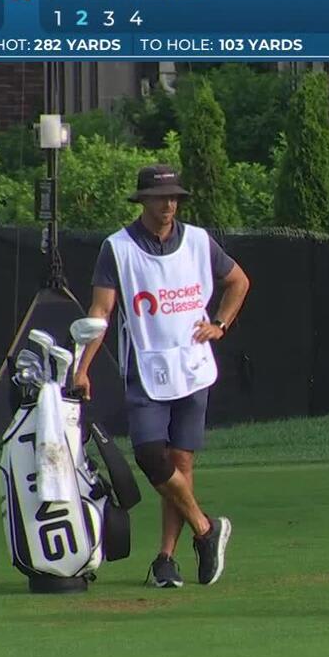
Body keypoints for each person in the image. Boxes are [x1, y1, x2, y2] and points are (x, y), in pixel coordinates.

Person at [70, 164, 250, 588]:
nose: (169, 204)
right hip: (146, 369)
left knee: (181, 463)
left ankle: (166, 560)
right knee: (152, 456)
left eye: (174, 198)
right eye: (160, 197)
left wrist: (219, 325)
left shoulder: (199, 241)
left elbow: (239, 281)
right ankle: (206, 529)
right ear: (143, 201)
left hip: (192, 366)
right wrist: (83, 367)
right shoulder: (117, 248)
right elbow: (101, 311)